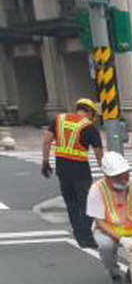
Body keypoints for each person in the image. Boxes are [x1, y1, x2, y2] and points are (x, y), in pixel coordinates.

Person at [86, 151, 132, 284]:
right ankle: (114, 274)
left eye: (125, 175)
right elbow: (100, 222)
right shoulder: (97, 189)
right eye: (118, 177)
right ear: (107, 177)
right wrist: (121, 239)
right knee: (106, 246)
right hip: (108, 231)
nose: (123, 179)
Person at [41, 98, 103, 249]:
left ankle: (79, 236)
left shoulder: (59, 120)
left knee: (71, 204)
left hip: (62, 170)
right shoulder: (89, 127)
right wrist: (107, 172)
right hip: (81, 171)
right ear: (89, 112)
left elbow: (47, 141)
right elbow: (99, 154)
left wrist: (45, 161)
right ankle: (87, 237)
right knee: (86, 204)